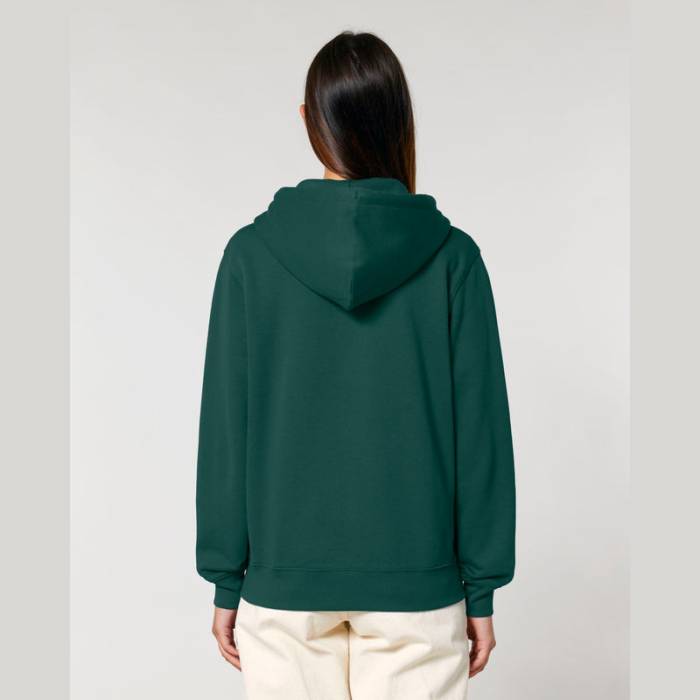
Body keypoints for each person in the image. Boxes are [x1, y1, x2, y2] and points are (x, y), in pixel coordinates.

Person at [196, 30, 515, 700]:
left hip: (283, 590)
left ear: (307, 119)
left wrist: (228, 578)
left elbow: (227, 431)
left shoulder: (250, 256)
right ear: (399, 121)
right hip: (418, 590)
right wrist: (480, 588)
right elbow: (480, 437)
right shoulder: (453, 258)